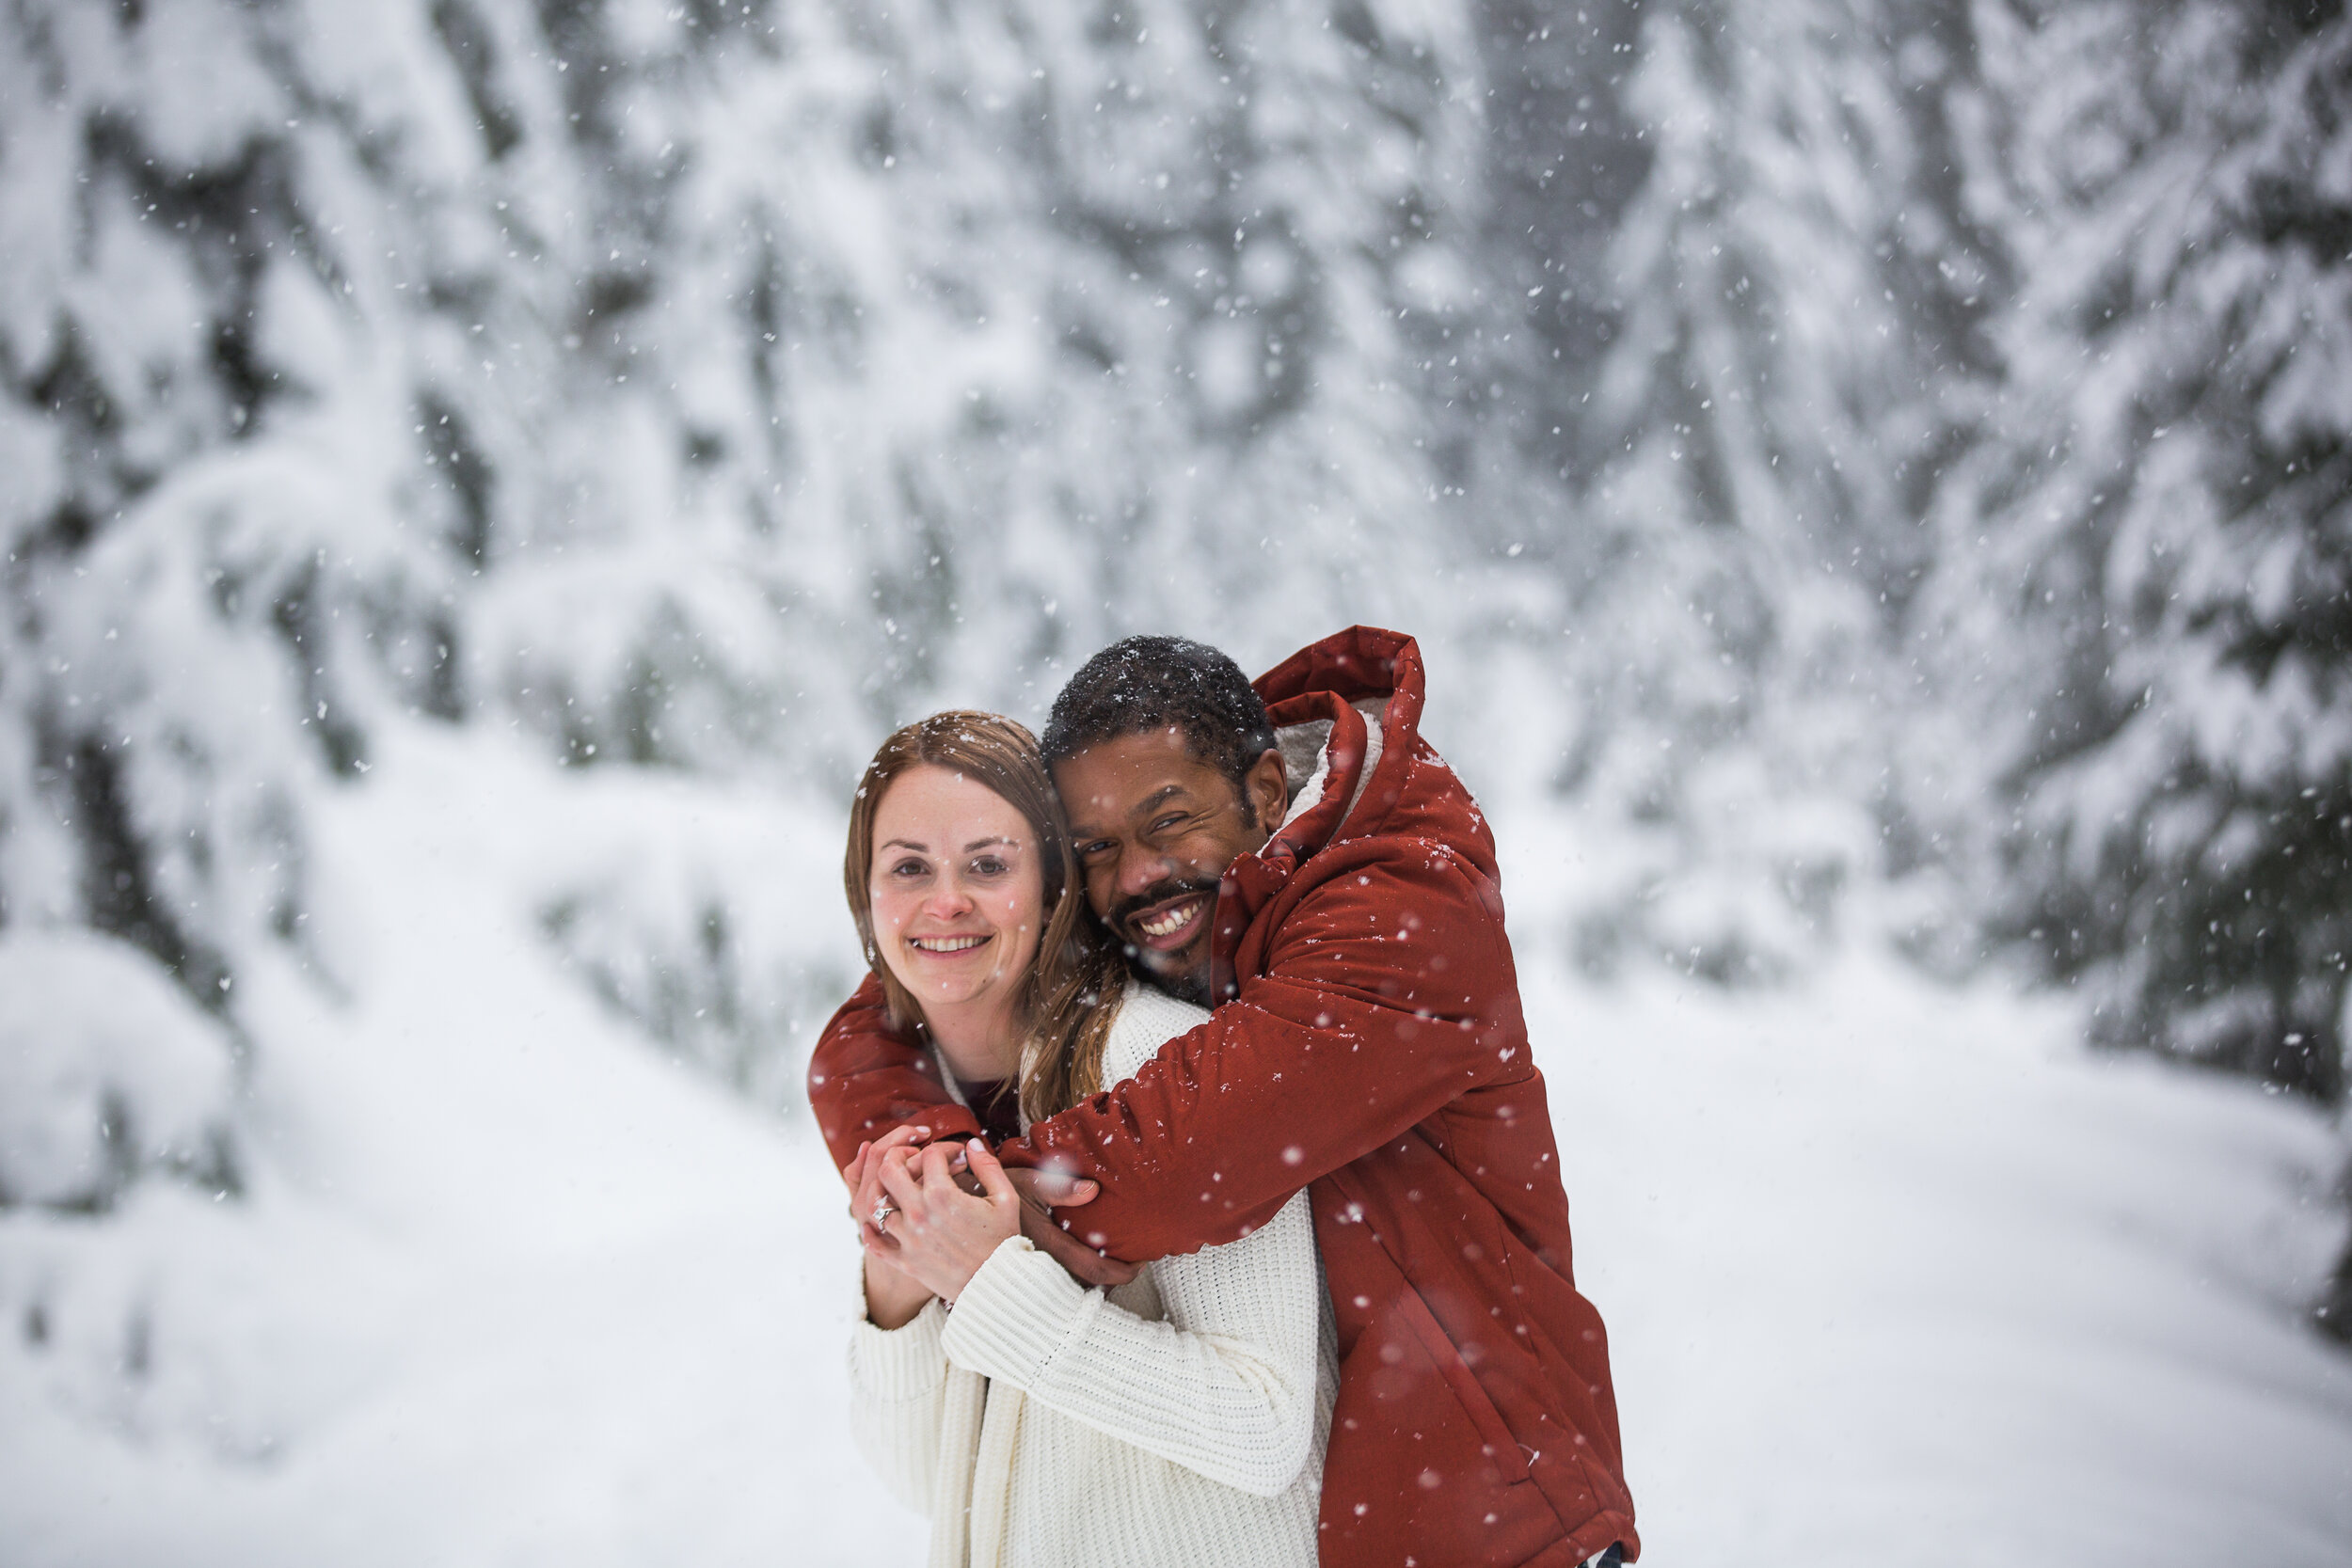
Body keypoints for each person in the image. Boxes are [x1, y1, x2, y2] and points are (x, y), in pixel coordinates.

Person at [810, 627, 1638, 1567]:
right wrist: (908, 1235)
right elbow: (874, 1027)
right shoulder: (1137, 985)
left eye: (1169, 821)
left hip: (1499, 1506)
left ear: (1265, 793)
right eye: (1100, 848)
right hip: (1389, 1504)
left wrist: (970, 1218)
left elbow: (1203, 1147)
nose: (1138, 873)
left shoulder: (1394, 911)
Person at [828, 710, 1335, 1568]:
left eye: (987, 864)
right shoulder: (936, 1109)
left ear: (1054, 883)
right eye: (909, 866)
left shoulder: (1158, 1062)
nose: (944, 900)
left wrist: (994, 1282)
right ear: (864, 893)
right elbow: (928, 1484)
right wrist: (896, 1291)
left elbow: (1264, 1428)